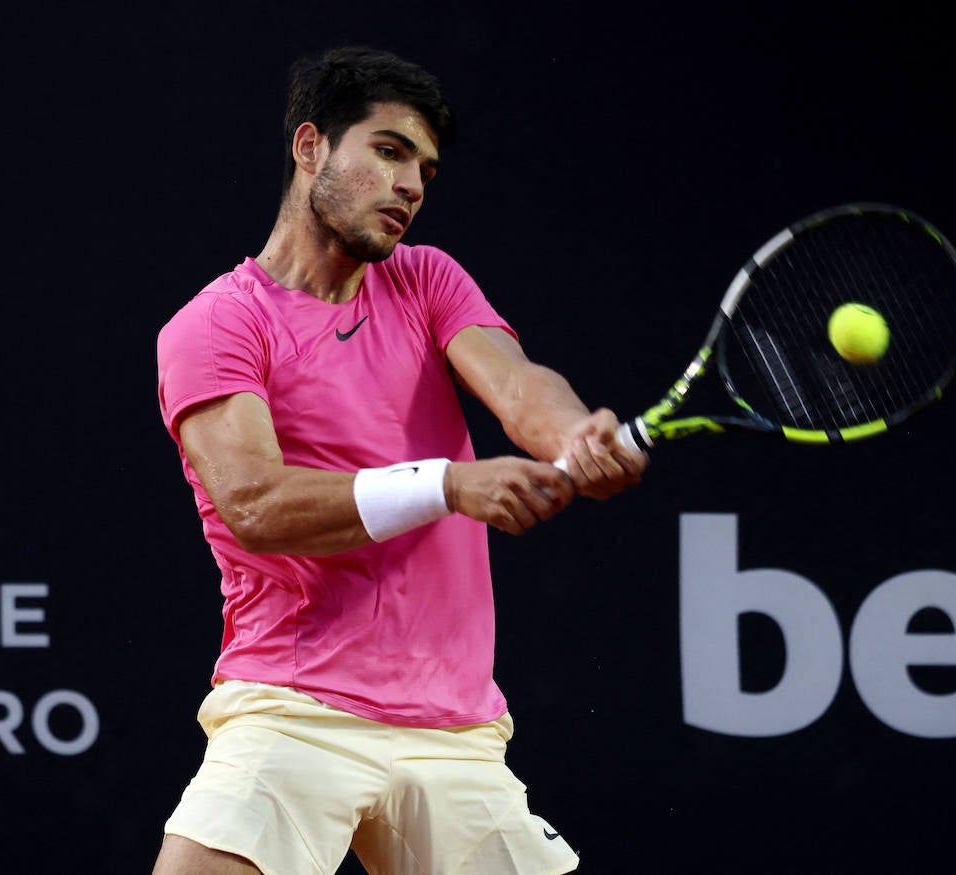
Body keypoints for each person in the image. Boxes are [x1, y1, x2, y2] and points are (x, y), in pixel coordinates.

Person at [152, 45, 646, 875]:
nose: (412, 185)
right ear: (311, 147)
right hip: (296, 705)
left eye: (425, 168)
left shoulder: (427, 281)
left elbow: (520, 388)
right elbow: (257, 505)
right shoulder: (216, 325)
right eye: (388, 152)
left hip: (454, 729)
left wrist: (573, 435)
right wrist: (449, 485)